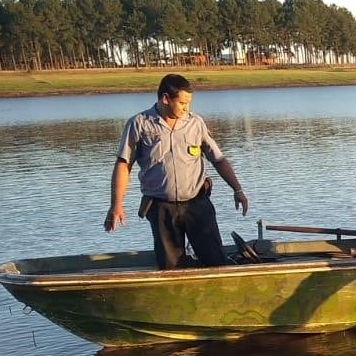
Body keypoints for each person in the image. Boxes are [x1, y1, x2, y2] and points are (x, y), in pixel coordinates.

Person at [104, 74, 249, 269]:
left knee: (216, 261)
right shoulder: (139, 124)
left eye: (188, 103)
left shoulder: (195, 124)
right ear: (166, 99)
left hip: (197, 205)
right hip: (162, 209)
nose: (186, 108)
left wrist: (237, 190)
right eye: (182, 103)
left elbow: (218, 159)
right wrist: (117, 206)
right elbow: (123, 165)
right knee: (170, 267)